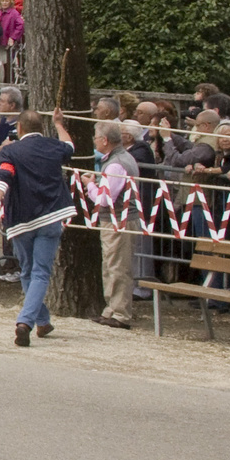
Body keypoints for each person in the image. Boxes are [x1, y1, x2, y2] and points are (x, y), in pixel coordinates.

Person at [0, 108, 75, 346]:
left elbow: (3, 177)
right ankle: (36, 321)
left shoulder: (10, 151)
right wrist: (59, 124)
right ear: (42, 129)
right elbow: (70, 147)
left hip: (21, 219)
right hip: (50, 217)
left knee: (28, 271)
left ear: (20, 129)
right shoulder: (53, 147)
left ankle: (28, 320)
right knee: (39, 272)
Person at [90, 121, 139, 329]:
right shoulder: (120, 158)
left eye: (95, 137)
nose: (94, 141)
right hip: (117, 219)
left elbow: (105, 199)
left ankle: (120, 312)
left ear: (105, 140)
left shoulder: (117, 163)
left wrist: (90, 185)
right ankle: (111, 308)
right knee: (111, 264)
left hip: (119, 219)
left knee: (117, 266)